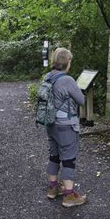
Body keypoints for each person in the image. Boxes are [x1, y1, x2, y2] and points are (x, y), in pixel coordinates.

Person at [44, 47, 87, 207]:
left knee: (54, 155)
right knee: (68, 158)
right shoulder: (67, 80)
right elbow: (81, 100)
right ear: (67, 62)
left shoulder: (48, 77)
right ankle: (69, 196)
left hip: (50, 124)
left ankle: (52, 188)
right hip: (65, 126)